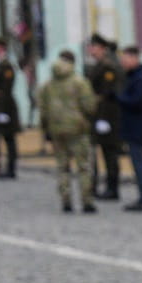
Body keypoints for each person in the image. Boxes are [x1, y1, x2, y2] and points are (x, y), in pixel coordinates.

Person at [35, 50, 99, 214]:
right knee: (83, 166)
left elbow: (42, 109)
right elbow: (90, 106)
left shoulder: (47, 86)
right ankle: (87, 200)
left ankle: (66, 200)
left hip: (57, 131)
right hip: (78, 130)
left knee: (62, 167)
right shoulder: (79, 83)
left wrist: (45, 129)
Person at [85, 34, 126, 201]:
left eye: (93, 46)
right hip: (98, 114)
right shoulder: (99, 65)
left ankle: (112, 187)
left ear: (101, 48)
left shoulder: (108, 67)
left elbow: (109, 95)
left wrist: (103, 119)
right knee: (102, 151)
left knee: (110, 152)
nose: (90, 50)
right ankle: (100, 186)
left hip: (108, 115)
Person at [117, 45, 142, 211]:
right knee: (137, 163)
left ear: (134, 58)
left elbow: (136, 101)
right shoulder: (134, 76)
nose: (123, 63)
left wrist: (119, 98)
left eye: (126, 59)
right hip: (132, 126)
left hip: (137, 127)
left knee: (139, 164)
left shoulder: (141, 78)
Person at [0, 35, 20, 178]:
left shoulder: (6, 66)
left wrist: (3, 112)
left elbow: (7, 89)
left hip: (5, 107)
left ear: (2, 48)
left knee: (9, 139)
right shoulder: (0, 64)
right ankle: (5, 166)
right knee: (2, 138)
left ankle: (11, 168)